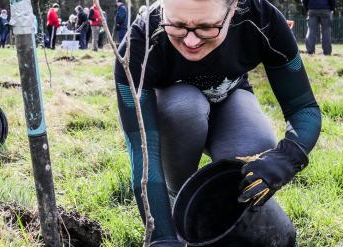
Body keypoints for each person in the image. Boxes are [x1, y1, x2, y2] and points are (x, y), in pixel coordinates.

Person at [113, 0, 321, 245]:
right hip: (174, 112)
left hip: (229, 98)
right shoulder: (140, 41)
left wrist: (288, 157)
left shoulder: (262, 20)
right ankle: (177, 199)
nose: (191, 41)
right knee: (185, 107)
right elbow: (142, 151)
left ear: (233, 9)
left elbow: (304, 109)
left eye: (206, 27)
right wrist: (162, 237)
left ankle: (221, 216)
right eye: (177, 25)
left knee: (255, 145)